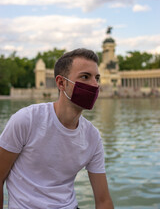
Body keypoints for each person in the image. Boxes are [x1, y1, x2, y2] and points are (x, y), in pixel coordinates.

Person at [0, 48, 114, 209]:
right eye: (85, 77)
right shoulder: (26, 120)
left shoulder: (92, 136)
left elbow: (103, 201)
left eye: (97, 78)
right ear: (61, 83)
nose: (95, 85)